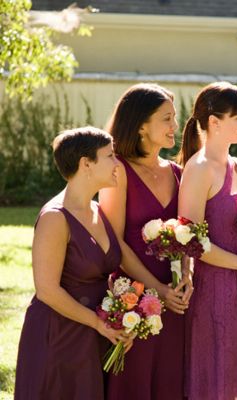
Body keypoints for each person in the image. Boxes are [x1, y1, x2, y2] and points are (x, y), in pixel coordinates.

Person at [178, 81, 237, 400]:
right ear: (214, 122)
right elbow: (191, 241)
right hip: (216, 292)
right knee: (215, 380)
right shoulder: (198, 169)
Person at [14, 127, 127, 400]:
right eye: (110, 156)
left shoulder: (98, 210)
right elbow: (47, 290)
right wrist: (98, 323)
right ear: (85, 163)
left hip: (95, 333)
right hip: (60, 334)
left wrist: (122, 316)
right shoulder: (56, 217)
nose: (117, 163)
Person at [99, 83, 190, 400]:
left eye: (174, 117)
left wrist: (185, 279)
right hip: (135, 301)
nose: (175, 126)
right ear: (140, 125)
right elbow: (114, 243)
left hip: (177, 303)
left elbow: (189, 236)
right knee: (134, 385)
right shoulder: (117, 171)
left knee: (171, 383)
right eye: (167, 118)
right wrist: (158, 290)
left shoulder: (179, 173)